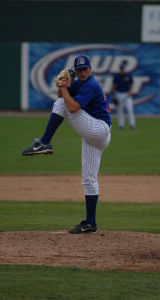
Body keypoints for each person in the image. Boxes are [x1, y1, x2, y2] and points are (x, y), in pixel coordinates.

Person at [22, 55, 111, 234]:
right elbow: (61, 96)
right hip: (95, 135)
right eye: (79, 70)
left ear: (90, 69)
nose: (82, 72)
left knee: (63, 104)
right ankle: (90, 223)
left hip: (99, 129)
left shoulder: (91, 84)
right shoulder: (79, 82)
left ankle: (44, 143)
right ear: (76, 71)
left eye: (85, 69)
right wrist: (63, 84)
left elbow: (70, 107)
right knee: (89, 178)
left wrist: (63, 87)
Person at [112, 61, 136, 129]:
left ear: (124, 68)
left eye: (122, 68)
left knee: (130, 109)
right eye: (121, 68)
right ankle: (121, 125)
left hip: (127, 94)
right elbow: (114, 86)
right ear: (119, 68)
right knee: (120, 110)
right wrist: (114, 95)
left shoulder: (128, 75)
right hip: (118, 93)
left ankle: (132, 125)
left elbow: (131, 85)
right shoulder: (116, 76)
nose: (121, 69)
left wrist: (130, 92)